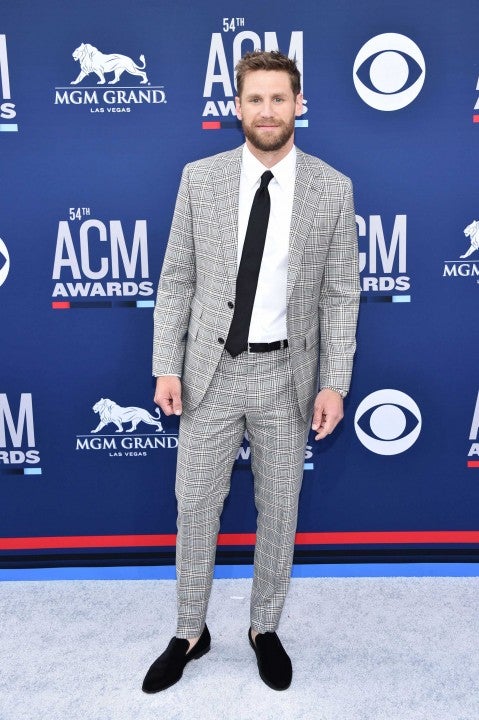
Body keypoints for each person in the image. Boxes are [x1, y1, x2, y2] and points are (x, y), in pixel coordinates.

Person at [143, 49, 360, 694]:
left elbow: (341, 293)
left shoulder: (332, 188)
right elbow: (177, 280)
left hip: (286, 376)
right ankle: (190, 631)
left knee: (280, 509)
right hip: (208, 374)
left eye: (279, 98)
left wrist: (333, 381)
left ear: (299, 104)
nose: (267, 111)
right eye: (255, 99)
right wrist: (167, 365)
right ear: (236, 107)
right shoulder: (200, 179)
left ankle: (265, 627)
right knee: (195, 506)